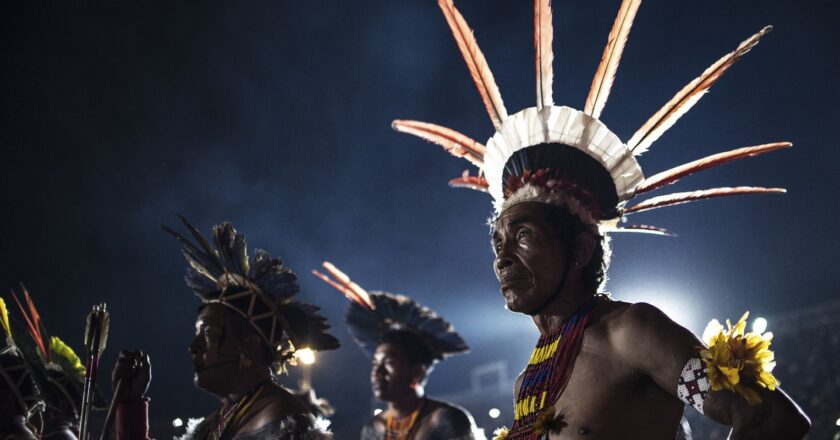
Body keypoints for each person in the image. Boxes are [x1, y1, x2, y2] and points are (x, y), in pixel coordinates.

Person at [393, 1, 811, 438]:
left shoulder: (631, 334)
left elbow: (767, 417)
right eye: (497, 243)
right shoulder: (527, 383)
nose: (502, 258)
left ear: (579, 249)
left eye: (522, 235)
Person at [112, 218, 340, 439]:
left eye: (209, 333)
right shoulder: (214, 424)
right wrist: (131, 403)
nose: (194, 347)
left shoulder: (284, 417)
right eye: (197, 334)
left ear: (249, 346)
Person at [313, 262, 485, 440]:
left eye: (388, 363)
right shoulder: (374, 427)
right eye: (375, 364)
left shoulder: (446, 420)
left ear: (417, 371)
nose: (377, 373)